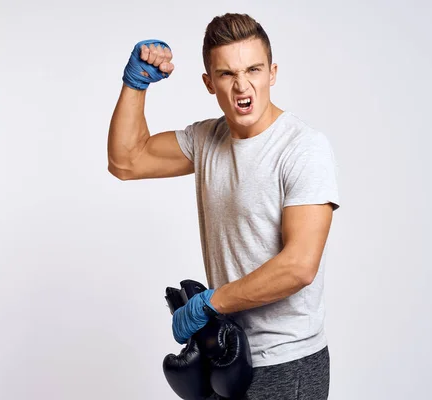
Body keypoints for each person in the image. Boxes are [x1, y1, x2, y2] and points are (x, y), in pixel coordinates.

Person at [107, 12, 340, 400]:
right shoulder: (207, 140)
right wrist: (136, 84)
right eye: (227, 74)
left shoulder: (303, 149)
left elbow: (299, 266)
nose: (242, 85)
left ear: (273, 73)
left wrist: (210, 302)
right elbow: (126, 161)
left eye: (253, 69)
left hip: (285, 361)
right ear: (209, 82)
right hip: (225, 352)